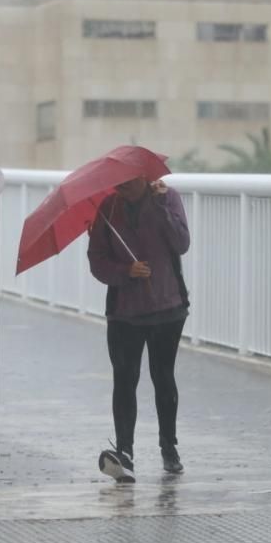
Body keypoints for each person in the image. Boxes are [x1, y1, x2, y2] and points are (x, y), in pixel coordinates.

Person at [88, 175, 190, 482]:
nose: (122, 187)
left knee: (163, 377)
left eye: (129, 182)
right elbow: (97, 262)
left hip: (167, 306)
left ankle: (169, 447)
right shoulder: (107, 208)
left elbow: (181, 243)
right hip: (124, 313)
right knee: (125, 379)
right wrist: (125, 271)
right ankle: (125, 452)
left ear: (146, 178)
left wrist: (160, 207)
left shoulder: (168, 199)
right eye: (119, 183)